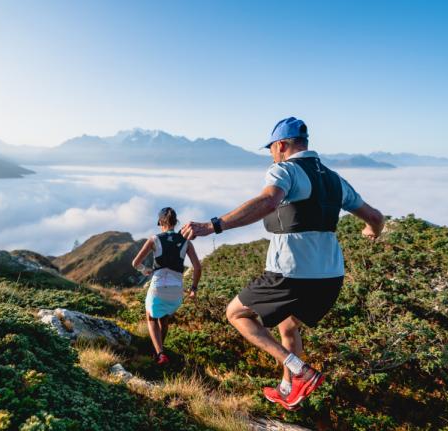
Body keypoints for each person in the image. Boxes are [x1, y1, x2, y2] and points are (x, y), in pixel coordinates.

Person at [181, 117, 384, 409]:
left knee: (237, 314)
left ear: (281, 146)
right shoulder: (336, 180)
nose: (271, 155)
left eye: (271, 149)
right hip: (330, 277)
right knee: (288, 326)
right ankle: (288, 390)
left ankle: (300, 371)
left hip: (291, 272)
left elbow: (267, 202)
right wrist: (371, 232)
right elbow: (375, 218)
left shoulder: (285, 170)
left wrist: (213, 226)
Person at [132, 207, 202, 365]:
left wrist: (145, 270)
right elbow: (197, 268)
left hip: (158, 285)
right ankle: (159, 349)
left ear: (159, 222)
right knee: (163, 318)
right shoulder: (186, 242)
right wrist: (193, 289)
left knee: (151, 316)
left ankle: (159, 353)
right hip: (176, 289)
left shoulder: (154, 239)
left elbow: (135, 263)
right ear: (176, 222)